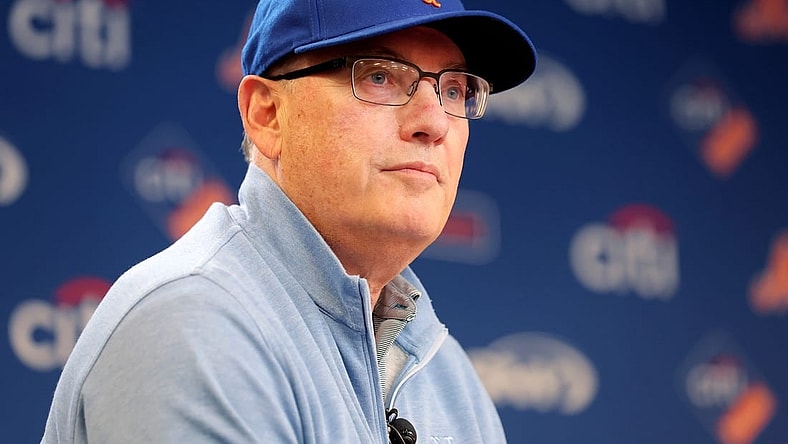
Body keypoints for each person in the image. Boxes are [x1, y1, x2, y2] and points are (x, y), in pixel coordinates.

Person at [41, 0, 536, 442]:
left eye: (454, 89)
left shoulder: (446, 376)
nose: (434, 122)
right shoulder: (196, 322)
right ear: (267, 116)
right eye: (379, 76)